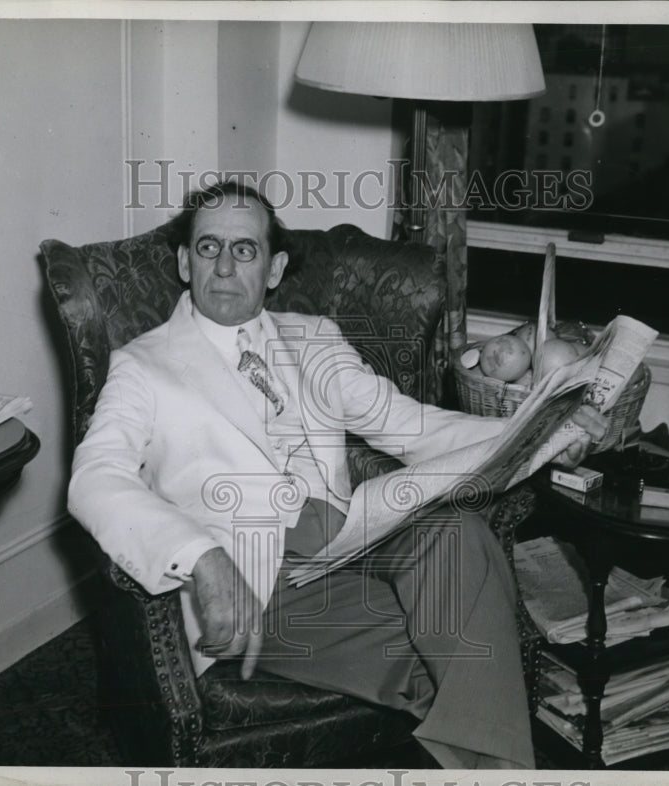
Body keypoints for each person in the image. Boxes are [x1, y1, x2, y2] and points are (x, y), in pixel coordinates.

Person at [68, 181, 607, 769]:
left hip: (353, 534)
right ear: (183, 261)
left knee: (457, 532)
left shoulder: (314, 338)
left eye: (244, 250)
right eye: (207, 247)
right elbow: (95, 478)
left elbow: (410, 424)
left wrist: (549, 430)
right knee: (471, 650)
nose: (223, 266)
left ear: (273, 269)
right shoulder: (141, 367)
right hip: (259, 576)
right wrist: (199, 555)